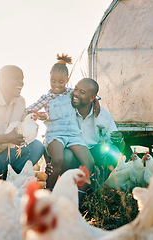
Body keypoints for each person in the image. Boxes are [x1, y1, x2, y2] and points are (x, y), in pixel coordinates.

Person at [26, 54, 96, 189]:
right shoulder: (47, 97)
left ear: (67, 80)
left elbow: (85, 97)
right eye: (53, 81)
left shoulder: (71, 93)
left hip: (74, 134)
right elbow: (29, 109)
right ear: (49, 79)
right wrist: (39, 114)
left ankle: (79, 195)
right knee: (57, 160)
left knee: (89, 162)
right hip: (55, 134)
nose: (56, 85)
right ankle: (49, 191)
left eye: (61, 82)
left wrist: (95, 101)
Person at [49, 77, 128, 191]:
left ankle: (91, 189)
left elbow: (118, 146)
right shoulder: (65, 108)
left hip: (91, 155)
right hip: (69, 154)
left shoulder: (103, 116)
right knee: (65, 155)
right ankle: (68, 187)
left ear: (92, 98)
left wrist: (119, 140)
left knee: (112, 153)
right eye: (75, 89)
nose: (75, 94)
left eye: (82, 92)